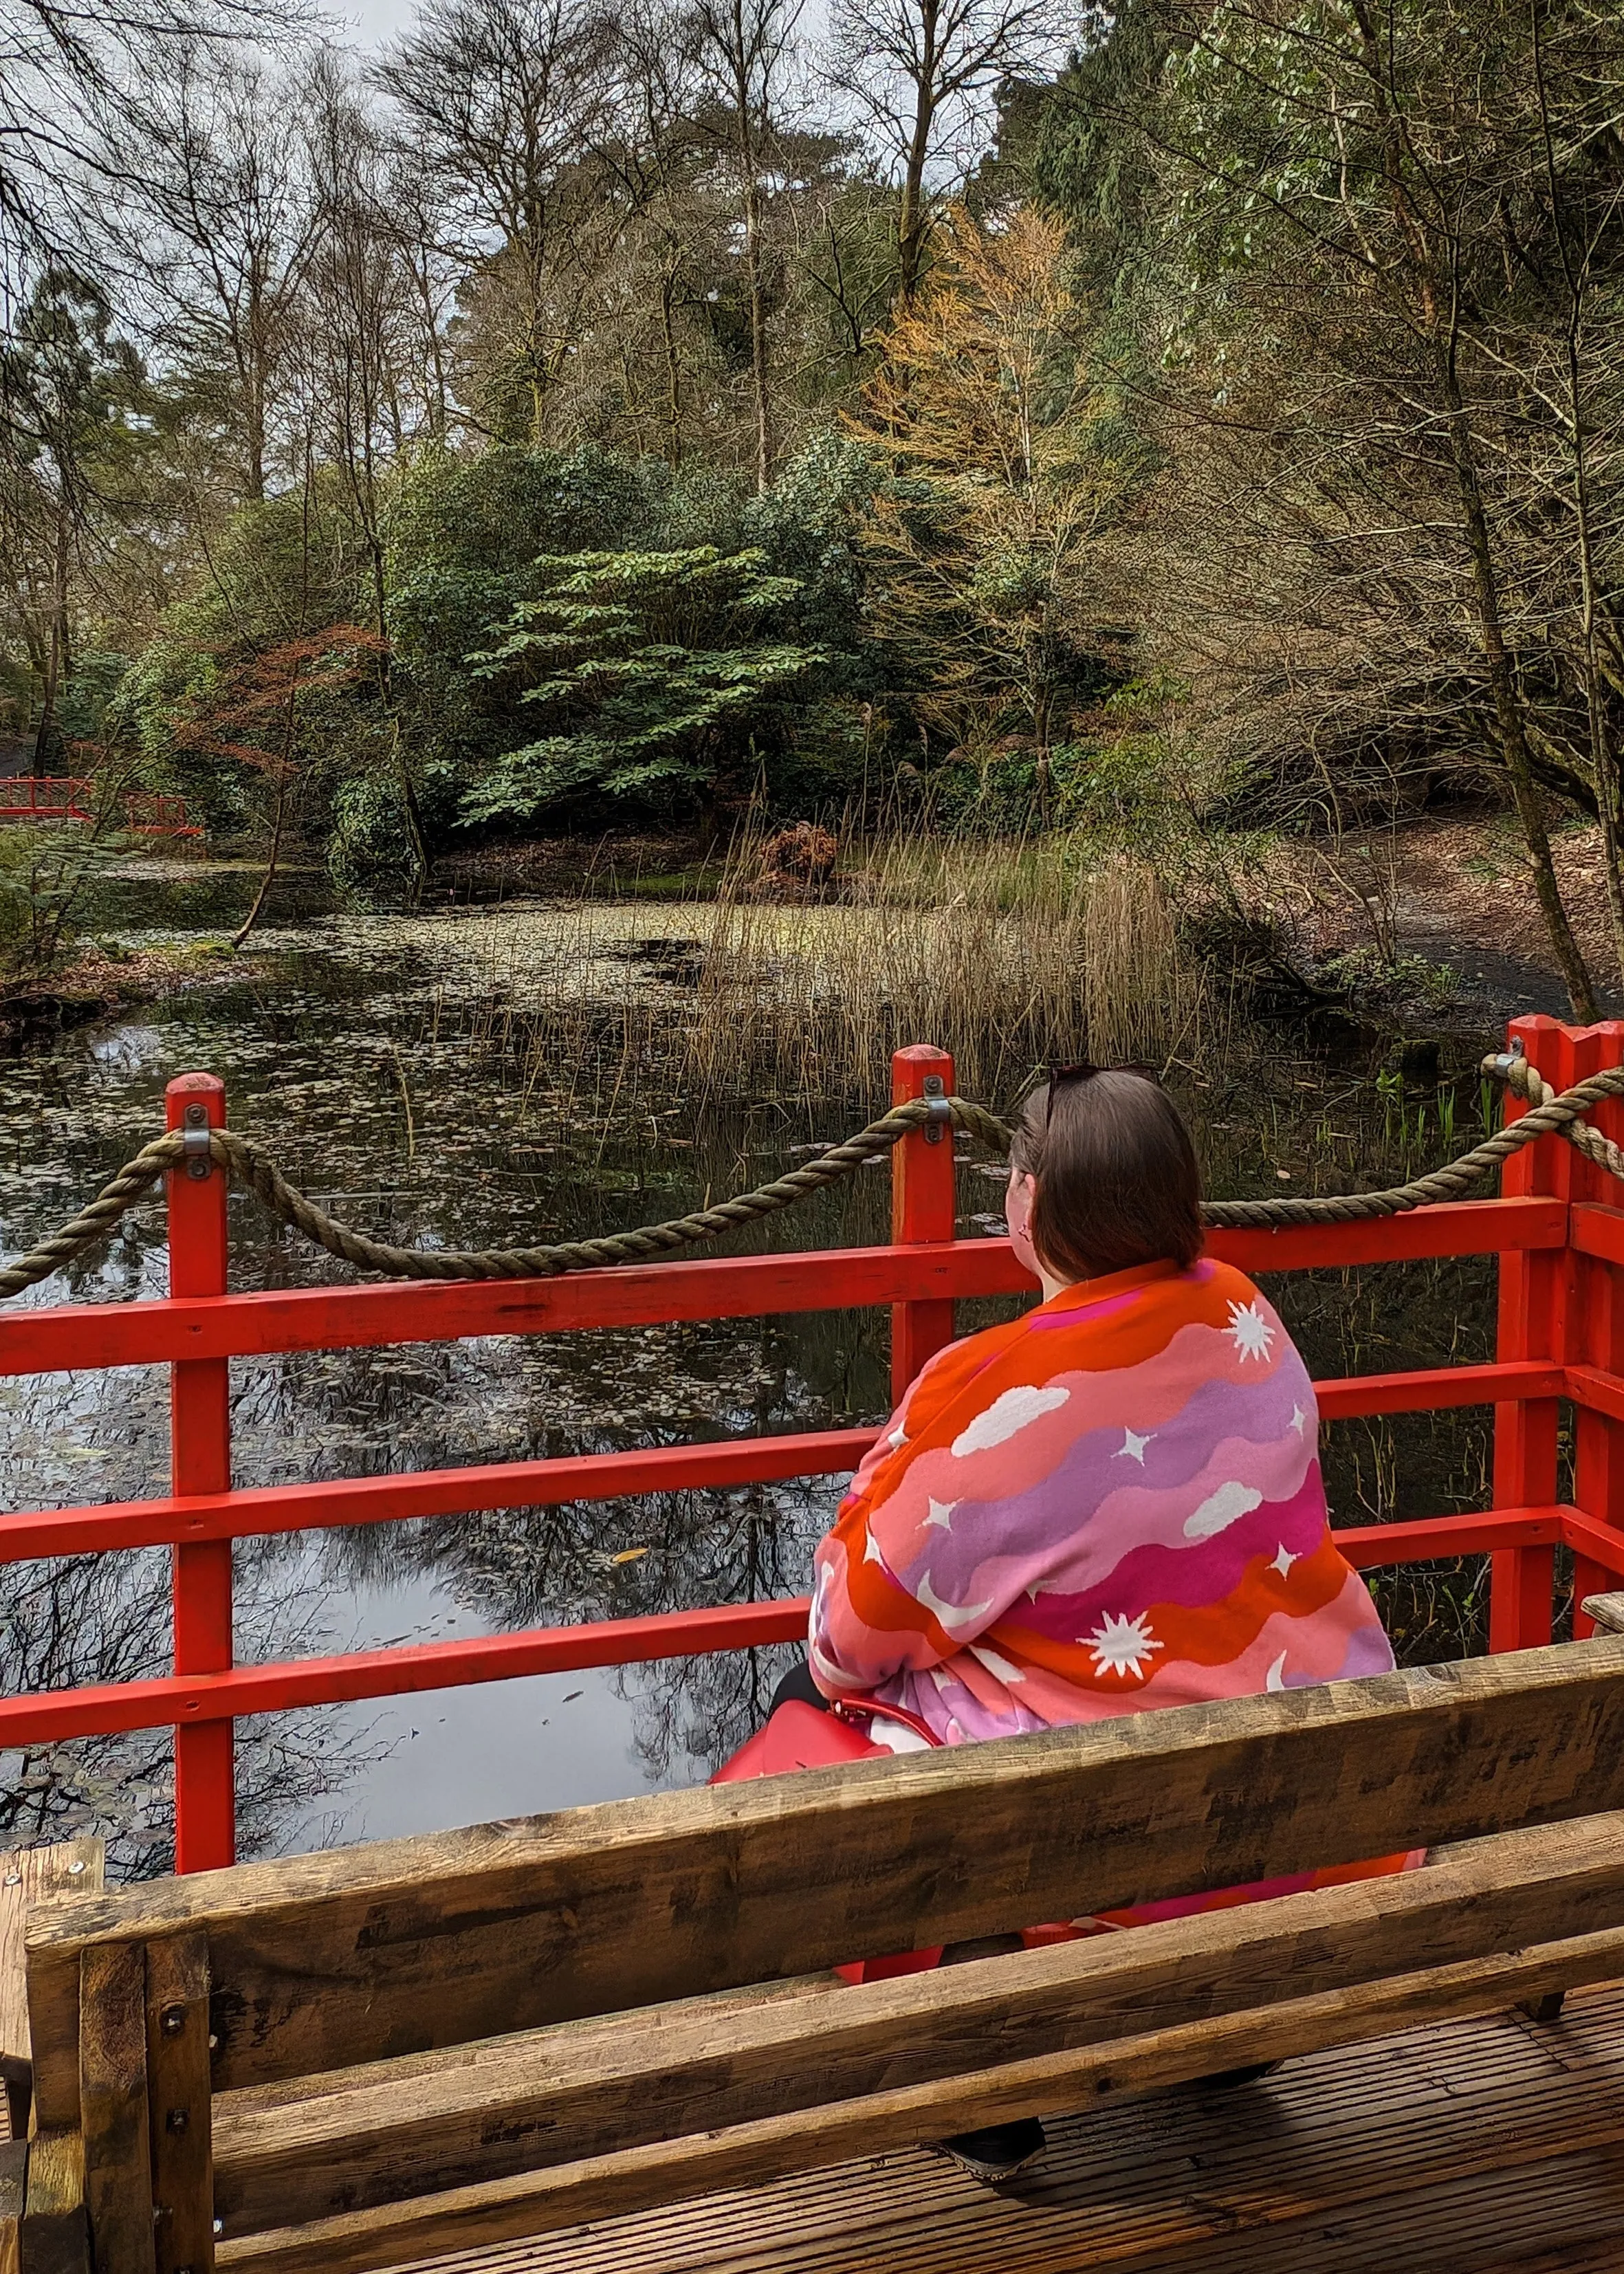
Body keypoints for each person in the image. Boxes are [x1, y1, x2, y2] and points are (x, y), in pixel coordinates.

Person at [788, 1064, 1407, 2180]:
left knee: (816, 1716)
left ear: (1028, 1206)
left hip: (1124, 1855)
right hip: (1320, 1823)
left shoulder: (988, 1385)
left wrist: (875, 1478)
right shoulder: (1241, 1311)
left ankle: (966, 2058)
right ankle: (1213, 2040)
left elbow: (844, 1638)